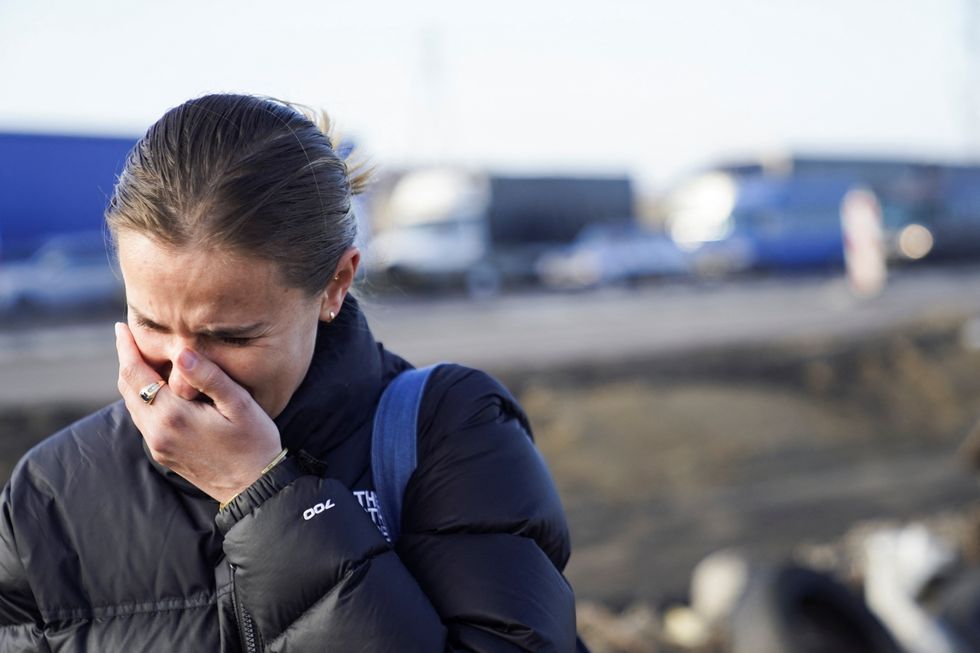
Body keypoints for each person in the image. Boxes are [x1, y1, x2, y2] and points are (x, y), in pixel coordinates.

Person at [0, 94, 579, 651]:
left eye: (230, 336)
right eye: (149, 323)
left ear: (335, 284)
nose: (182, 377)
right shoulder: (51, 493)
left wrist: (262, 495)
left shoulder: (452, 434)